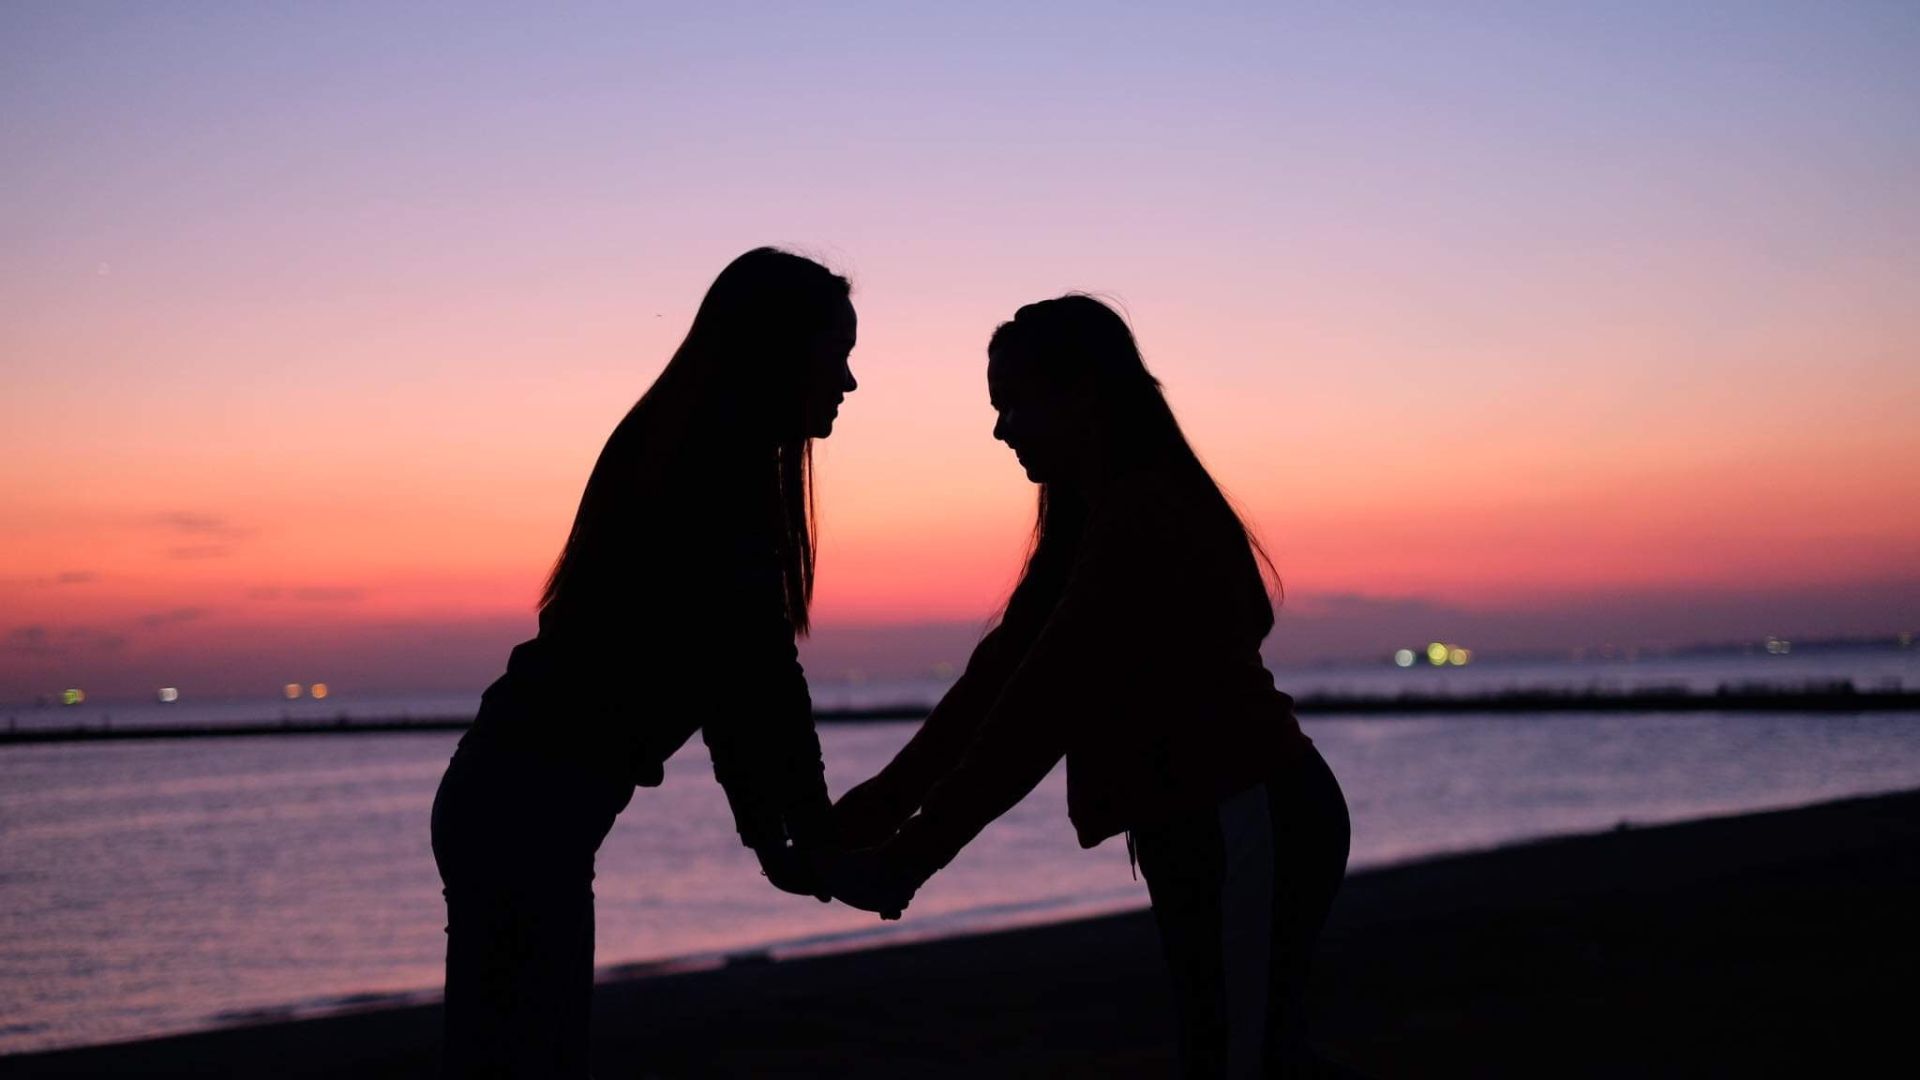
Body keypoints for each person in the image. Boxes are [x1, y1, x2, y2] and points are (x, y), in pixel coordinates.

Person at [825, 294, 1350, 1078]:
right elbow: (998, 680)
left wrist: (911, 854)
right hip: (1209, 820)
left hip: (1245, 815)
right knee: (1248, 1047)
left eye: (1014, 405)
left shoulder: (1143, 516)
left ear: (1083, 395)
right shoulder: (1095, 517)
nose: (1001, 430)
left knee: (1238, 1058)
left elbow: (1040, 710)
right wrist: (879, 807)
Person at [430, 247, 857, 1077]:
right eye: (835, 355)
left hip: (514, 798)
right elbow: (754, 681)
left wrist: (786, 837)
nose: (846, 382)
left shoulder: (693, 452)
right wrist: (806, 837)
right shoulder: (714, 477)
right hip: (525, 808)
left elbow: (739, 688)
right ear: (780, 351)